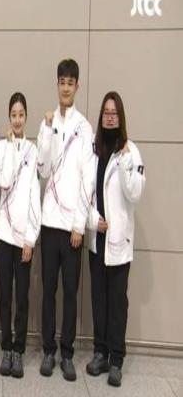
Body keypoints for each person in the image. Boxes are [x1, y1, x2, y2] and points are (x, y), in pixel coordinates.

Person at [37, 59, 95, 381]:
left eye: (70, 82)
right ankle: (48, 351)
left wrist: (78, 224)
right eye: (62, 82)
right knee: (48, 291)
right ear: (57, 84)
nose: (65, 87)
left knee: (70, 293)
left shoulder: (84, 128)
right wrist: (47, 131)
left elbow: (88, 180)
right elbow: (43, 169)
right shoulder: (48, 123)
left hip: (71, 227)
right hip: (49, 222)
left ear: (77, 86)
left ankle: (67, 353)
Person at [85, 91, 145, 387]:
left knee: (117, 304)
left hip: (119, 243)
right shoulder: (93, 150)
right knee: (99, 300)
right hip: (97, 240)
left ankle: (117, 359)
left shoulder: (131, 152)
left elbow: (135, 193)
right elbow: (85, 192)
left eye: (114, 113)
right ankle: (100, 353)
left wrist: (123, 162)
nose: (110, 117)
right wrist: (91, 220)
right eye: (106, 113)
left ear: (120, 117)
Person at [0, 92, 41, 378]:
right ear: (9, 117)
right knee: (5, 296)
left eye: (21, 114)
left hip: (23, 237)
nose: (17, 119)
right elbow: (4, 181)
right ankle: (6, 348)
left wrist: (30, 239)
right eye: (13, 114)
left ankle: (19, 350)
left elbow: (34, 195)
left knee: (21, 296)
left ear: (26, 117)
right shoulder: (2, 147)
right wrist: (11, 147)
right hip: (3, 234)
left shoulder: (33, 151)